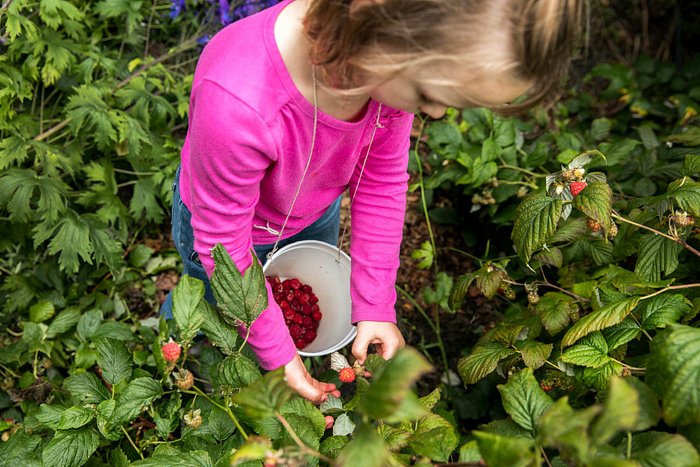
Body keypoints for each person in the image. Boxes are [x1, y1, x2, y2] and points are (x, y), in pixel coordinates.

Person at [161, 0, 584, 403]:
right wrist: (280, 354)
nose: (433, 115)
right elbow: (225, 248)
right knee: (208, 301)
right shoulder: (237, 103)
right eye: (427, 96)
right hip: (225, 237)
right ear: (380, 28)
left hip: (309, 213)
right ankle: (179, 355)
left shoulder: (381, 67)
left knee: (273, 312)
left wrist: (375, 303)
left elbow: (380, 182)